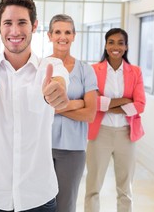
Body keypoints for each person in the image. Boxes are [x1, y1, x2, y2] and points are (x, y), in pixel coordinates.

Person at [0, 0, 70, 212]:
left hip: (38, 196)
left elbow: (60, 81)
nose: (14, 31)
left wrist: (57, 90)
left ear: (34, 26)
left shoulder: (51, 67)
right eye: (8, 23)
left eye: (22, 22)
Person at [84, 28, 146, 212]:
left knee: (125, 190)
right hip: (100, 133)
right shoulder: (94, 70)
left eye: (120, 42)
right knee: (93, 188)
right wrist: (123, 103)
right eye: (111, 42)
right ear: (105, 45)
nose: (115, 46)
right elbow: (93, 102)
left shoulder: (135, 72)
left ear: (126, 47)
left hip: (126, 135)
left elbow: (140, 105)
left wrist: (108, 104)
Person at [47, 14, 97, 212]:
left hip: (73, 150)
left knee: (65, 205)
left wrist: (55, 108)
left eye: (67, 32)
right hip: (41, 146)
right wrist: (76, 103)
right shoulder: (40, 67)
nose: (62, 37)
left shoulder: (85, 70)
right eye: (57, 32)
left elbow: (90, 114)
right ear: (49, 35)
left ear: (74, 36)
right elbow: (35, 109)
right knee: (39, 203)